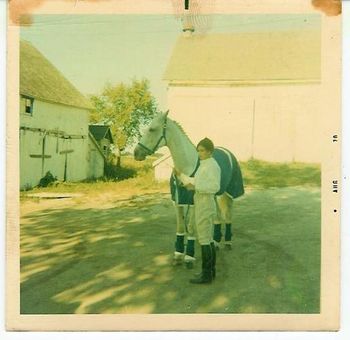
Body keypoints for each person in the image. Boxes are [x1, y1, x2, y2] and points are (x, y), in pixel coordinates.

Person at [174, 137, 221, 284]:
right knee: (206, 238)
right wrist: (180, 175)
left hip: (205, 203)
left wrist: (195, 188)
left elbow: (214, 187)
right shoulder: (204, 165)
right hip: (201, 201)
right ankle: (210, 272)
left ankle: (207, 275)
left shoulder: (212, 166)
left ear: (209, 151)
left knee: (204, 239)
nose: (199, 153)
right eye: (198, 150)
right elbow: (196, 181)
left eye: (202, 151)